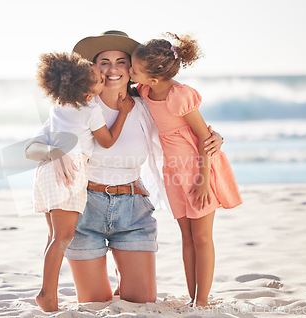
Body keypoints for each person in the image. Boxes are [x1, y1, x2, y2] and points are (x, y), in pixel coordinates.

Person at [25, 31, 224, 307]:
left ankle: (125, 274)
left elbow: (183, 128)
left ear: (132, 70)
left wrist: (214, 137)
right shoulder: (76, 106)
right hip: (86, 212)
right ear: (92, 67)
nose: (112, 69)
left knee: (141, 302)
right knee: (94, 303)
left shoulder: (145, 105)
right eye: (104, 61)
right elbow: (30, 149)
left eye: (121, 61)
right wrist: (52, 151)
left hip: (133, 211)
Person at [129, 33, 242, 307]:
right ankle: (193, 298)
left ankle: (202, 301)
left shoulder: (180, 96)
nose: (129, 72)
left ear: (154, 78)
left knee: (202, 237)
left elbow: (205, 139)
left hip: (197, 171)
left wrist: (204, 181)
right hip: (173, 173)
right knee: (187, 237)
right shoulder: (145, 90)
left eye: (133, 69)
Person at [32, 51, 134, 312]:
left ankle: (48, 291)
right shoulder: (91, 109)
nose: (104, 79)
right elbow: (107, 141)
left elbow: (34, 146)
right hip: (70, 170)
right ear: (89, 93)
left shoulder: (59, 107)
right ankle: (47, 295)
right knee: (63, 237)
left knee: (54, 236)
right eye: (100, 79)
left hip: (47, 169)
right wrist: (122, 112)